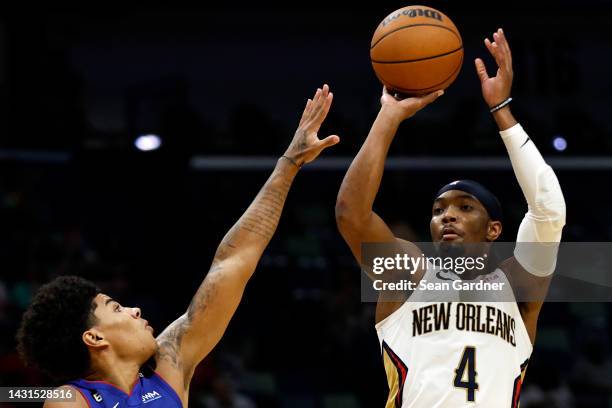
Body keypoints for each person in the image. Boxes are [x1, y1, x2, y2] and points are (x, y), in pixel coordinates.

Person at [16, 84, 340, 408]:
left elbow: (233, 261)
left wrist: (289, 163)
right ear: (94, 337)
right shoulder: (70, 399)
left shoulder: (169, 366)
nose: (134, 310)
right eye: (116, 308)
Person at [335, 28, 566, 407]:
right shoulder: (407, 274)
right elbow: (351, 213)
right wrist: (388, 117)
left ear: (494, 229)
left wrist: (502, 111)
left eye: (464, 207)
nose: (447, 216)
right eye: (438, 210)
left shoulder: (516, 287)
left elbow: (549, 211)